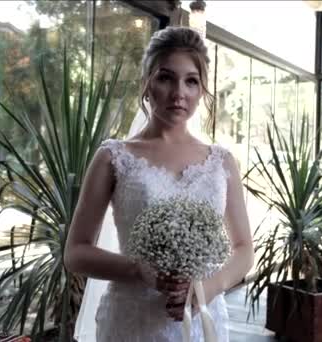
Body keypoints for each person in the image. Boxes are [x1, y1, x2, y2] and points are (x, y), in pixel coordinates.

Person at [64, 26, 253, 342]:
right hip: (131, 323)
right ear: (146, 83)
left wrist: (205, 289)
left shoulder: (222, 162)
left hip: (202, 320)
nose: (179, 92)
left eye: (191, 81)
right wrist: (139, 270)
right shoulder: (114, 157)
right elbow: (75, 252)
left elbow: (244, 250)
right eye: (166, 77)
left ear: (202, 89)